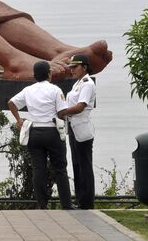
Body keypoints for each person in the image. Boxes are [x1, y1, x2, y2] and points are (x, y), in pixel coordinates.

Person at [7, 61, 73, 209]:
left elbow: (11, 103)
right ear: (49, 73)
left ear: (35, 75)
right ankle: (66, 205)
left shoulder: (28, 90)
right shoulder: (55, 90)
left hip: (34, 132)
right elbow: (62, 111)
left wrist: (19, 120)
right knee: (60, 168)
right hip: (52, 131)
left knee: (38, 169)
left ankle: (42, 205)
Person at [57, 53, 96, 209]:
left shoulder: (87, 84)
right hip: (73, 127)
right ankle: (81, 200)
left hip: (81, 126)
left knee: (84, 165)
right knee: (77, 164)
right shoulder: (78, 83)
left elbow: (81, 106)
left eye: (75, 67)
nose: (72, 70)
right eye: (71, 67)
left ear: (84, 67)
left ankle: (87, 202)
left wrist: (63, 112)